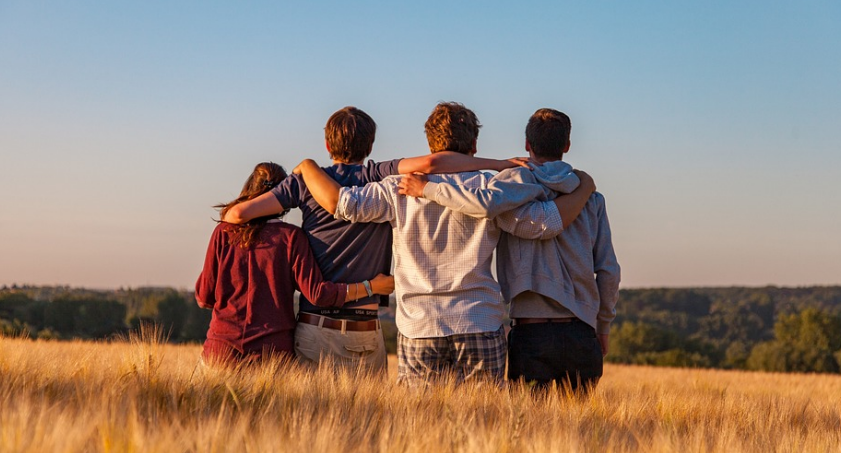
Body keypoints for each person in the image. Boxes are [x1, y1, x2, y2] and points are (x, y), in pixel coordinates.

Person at [292, 102, 596, 386]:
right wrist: (584, 189)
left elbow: (343, 205)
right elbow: (543, 224)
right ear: (474, 146)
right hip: (479, 320)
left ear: (430, 145)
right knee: (484, 426)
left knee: (420, 428)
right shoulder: (492, 189)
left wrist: (307, 167)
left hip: (419, 325)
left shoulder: (396, 188)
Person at [222, 106, 524, 374]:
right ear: (370, 145)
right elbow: (433, 164)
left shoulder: (306, 182)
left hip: (317, 326)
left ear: (328, 145)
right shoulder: (379, 175)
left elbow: (236, 216)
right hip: (369, 328)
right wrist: (498, 164)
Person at [400, 108, 620, 392]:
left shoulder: (508, 188)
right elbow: (608, 270)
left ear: (527, 144)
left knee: (527, 429)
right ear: (566, 146)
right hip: (582, 332)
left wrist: (428, 189)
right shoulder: (591, 198)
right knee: (581, 432)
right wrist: (603, 326)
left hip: (530, 332)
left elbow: (483, 204)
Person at [195, 162, 394, 366]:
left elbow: (204, 297)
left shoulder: (223, 233)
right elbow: (318, 294)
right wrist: (371, 287)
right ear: (285, 198)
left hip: (221, 351)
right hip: (272, 356)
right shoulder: (291, 238)